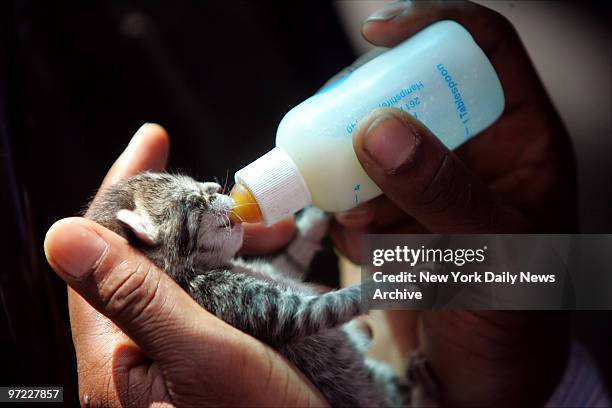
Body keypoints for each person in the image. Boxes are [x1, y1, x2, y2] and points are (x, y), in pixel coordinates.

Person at [44, 1, 609, 406]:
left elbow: (280, 280)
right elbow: (293, 310)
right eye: (200, 203)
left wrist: (547, 298)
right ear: (151, 238)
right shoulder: (213, 291)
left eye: (205, 188)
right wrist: (381, 289)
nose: (219, 194)